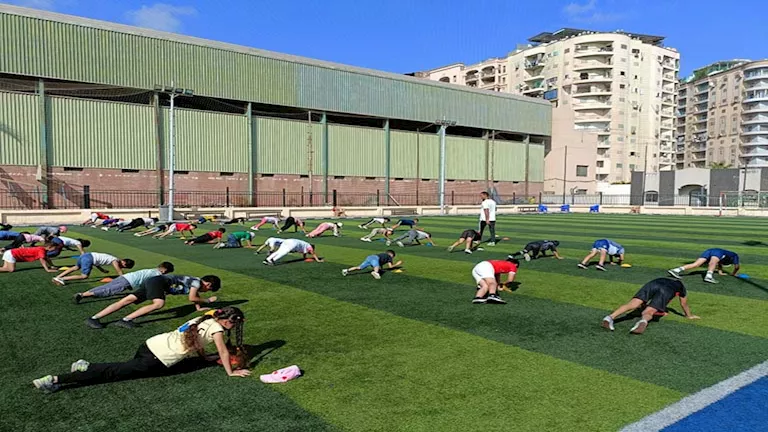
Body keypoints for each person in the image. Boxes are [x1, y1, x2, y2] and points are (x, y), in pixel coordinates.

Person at [33, 307, 250, 393]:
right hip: (157, 358)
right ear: (227, 321)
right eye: (234, 323)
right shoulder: (217, 330)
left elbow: (196, 342)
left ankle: (87, 365)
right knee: (115, 373)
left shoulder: (204, 318)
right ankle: (55, 379)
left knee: (123, 368)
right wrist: (232, 372)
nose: (234, 327)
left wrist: (206, 357)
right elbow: (223, 352)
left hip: (150, 344)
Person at [85, 274, 222, 329]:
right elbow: (192, 297)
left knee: (127, 300)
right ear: (208, 284)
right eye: (208, 289)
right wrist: (208, 300)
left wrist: (198, 308)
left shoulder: (194, 282)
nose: (205, 291)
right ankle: (125, 320)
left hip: (153, 281)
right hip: (159, 282)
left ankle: (94, 318)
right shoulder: (197, 282)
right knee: (159, 304)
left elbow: (195, 296)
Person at [602, 278, 699, 334]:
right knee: (649, 311)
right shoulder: (681, 288)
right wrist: (689, 315)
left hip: (654, 283)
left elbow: (645, 300)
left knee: (632, 304)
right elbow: (683, 304)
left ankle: (610, 317)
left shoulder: (664, 278)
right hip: (666, 290)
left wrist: (642, 305)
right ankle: (643, 321)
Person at [74, 261, 175, 304]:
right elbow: (150, 284)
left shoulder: (152, 270)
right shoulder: (157, 274)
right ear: (164, 270)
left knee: (106, 287)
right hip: (128, 281)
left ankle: (84, 293)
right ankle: (82, 295)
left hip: (125, 277)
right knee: (108, 290)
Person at [52, 252, 135, 285]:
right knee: (84, 276)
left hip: (86, 255)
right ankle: (62, 279)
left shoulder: (113, 258)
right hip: (89, 259)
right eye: (124, 266)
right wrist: (124, 278)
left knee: (75, 267)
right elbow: (118, 271)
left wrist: (102, 270)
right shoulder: (115, 261)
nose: (122, 267)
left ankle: (58, 276)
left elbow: (97, 262)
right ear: (124, 263)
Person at [667, 248, 740, 284]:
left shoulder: (725, 256)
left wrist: (720, 272)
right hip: (718, 252)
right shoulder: (735, 256)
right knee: (712, 262)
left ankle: (676, 270)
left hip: (709, 250)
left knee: (696, 264)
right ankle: (708, 277)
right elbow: (737, 267)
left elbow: (720, 263)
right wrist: (733, 274)